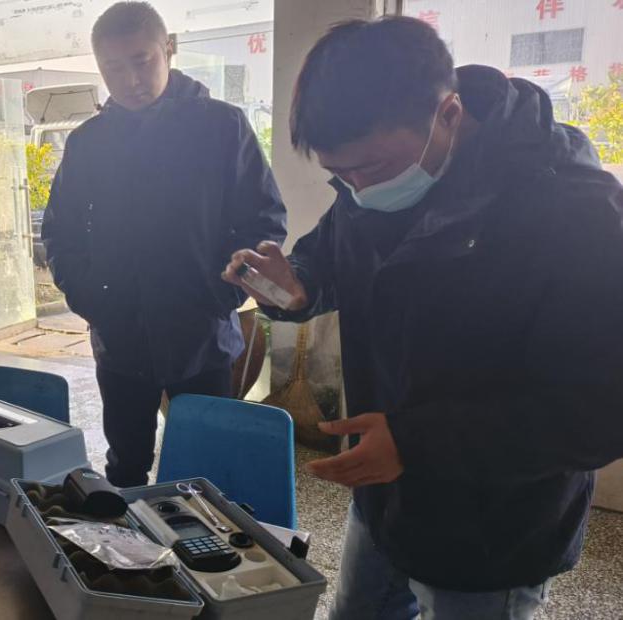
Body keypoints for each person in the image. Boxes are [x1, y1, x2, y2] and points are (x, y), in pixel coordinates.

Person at [223, 17, 623, 620]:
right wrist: (297, 284)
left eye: (371, 170)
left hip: (491, 525)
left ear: (450, 114)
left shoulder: (576, 214)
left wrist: (416, 442)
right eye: (340, 174)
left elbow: (599, 412)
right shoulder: (374, 175)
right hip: (385, 497)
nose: (357, 189)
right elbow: (331, 253)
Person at [42, 1, 286, 487]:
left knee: (205, 464)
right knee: (125, 463)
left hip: (202, 333)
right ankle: (127, 539)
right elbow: (61, 231)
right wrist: (90, 298)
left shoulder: (222, 126)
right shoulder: (89, 142)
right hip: (120, 333)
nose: (130, 79)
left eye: (142, 60)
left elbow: (263, 220)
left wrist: (223, 294)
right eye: (114, 67)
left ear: (168, 49)